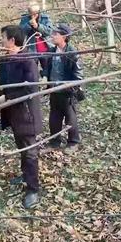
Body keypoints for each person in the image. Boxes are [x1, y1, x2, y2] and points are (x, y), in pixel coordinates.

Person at [0, 25, 43, 209]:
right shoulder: (4, 60)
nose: (0, 41)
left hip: (26, 113)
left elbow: (30, 88)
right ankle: (25, 175)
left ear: (12, 40)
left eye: (3, 37)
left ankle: (33, 189)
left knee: (30, 151)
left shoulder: (27, 60)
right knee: (21, 147)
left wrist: (7, 97)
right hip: (13, 113)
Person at [44, 23, 84, 151]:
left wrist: (70, 87)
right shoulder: (51, 51)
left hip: (67, 92)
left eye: (56, 34)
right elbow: (46, 68)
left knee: (70, 117)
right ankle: (54, 142)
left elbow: (78, 74)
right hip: (53, 90)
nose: (53, 36)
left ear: (64, 37)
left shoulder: (72, 53)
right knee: (54, 116)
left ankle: (73, 142)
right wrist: (45, 77)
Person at [19, 2, 54, 73]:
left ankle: (49, 82)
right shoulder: (24, 19)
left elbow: (49, 31)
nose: (34, 15)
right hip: (31, 49)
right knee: (32, 71)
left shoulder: (45, 18)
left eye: (35, 13)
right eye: (31, 13)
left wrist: (38, 26)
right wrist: (29, 24)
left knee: (48, 70)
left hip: (45, 48)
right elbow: (21, 32)